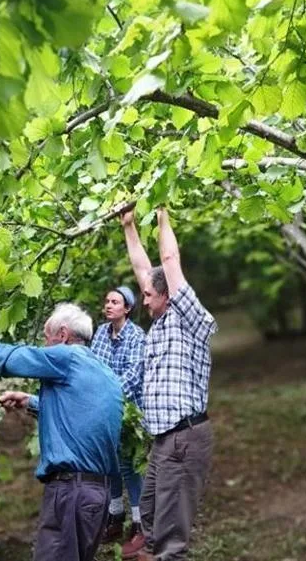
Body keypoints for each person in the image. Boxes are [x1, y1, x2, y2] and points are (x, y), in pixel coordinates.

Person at [0, 303, 123, 561]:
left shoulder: (66, 357)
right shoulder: (106, 373)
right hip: (95, 496)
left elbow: (8, 358)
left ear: (62, 334)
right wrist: (31, 401)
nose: (44, 345)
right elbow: (83, 415)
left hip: (70, 492)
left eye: (46, 338)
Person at [120, 207, 218, 561]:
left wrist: (163, 218)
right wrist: (129, 226)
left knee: (171, 536)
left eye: (148, 295)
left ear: (167, 295)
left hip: (185, 437)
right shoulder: (159, 322)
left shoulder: (188, 317)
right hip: (163, 441)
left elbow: (168, 259)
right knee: (147, 519)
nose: (142, 299)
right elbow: (143, 269)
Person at [90, 286, 147, 551]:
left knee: (128, 466)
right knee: (108, 464)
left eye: (115, 302)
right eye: (107, 301)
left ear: (127, 309)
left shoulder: (137, 336)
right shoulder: (101, 332)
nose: (109, 305)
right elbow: (94, 368)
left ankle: (140, 524)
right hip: (103, 410)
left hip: (129, 411)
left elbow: (133, 378)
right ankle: (115, 516)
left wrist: (107, 397)